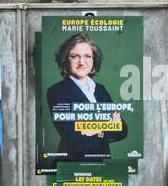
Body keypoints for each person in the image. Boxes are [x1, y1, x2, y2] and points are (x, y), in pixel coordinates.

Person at [45, 33, 127, 162]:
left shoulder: (100, 90)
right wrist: (107, 125)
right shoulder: (57, 91)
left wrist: (91, 130)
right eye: (74, 56)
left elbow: (122, 130)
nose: (82, 62)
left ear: (94, 62)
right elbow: (75, 141)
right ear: (65, 60)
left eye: (87, 56)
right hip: (72, 168)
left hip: (101, 167)